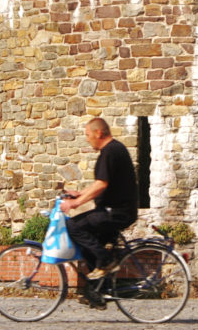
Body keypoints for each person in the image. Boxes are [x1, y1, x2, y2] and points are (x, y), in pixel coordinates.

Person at [60, 117, 138, 279]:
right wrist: (80, 194)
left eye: (88, 135)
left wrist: (75, 203)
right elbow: (101, 183)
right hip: (115, 211)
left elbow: (101, 185)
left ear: (99, 133)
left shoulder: (110, 151)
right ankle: (98, 292)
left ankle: (108, 261)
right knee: (90, 247)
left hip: (116, 212)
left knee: (72, 226)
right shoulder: (113, 149)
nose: (87, 139)